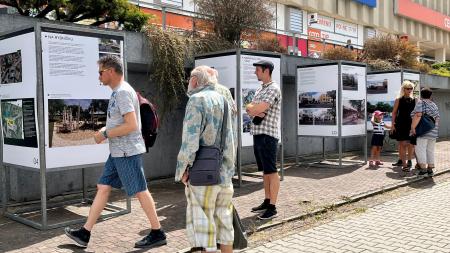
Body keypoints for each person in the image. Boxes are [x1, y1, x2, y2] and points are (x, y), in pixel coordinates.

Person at [64, 55, 166, 249]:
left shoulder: (122, 93)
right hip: (118, 151)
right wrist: (106, 131)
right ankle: (85, 233)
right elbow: (122, 121)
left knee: (140, 191)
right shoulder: (118, 92)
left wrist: (106, 134)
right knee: (103, 187)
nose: (99, 76)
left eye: (101, 72)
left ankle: (157, 232)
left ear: (111, 71)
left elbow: (132, 125)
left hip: (127, 152)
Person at [176, 65, 237, 253]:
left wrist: (183, 170)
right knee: (224, 221)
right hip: (224, 170)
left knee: (204, 224)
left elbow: (190, 141)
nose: (188, 83)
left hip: (203, 172)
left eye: (189, 79)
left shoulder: (196, 99)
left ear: (195, 80)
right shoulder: (223, 99)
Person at [246, 60, 281, 220]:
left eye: (258, 70)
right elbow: (249, 107)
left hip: (268, 136)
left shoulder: (273, 89)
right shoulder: (261, 89)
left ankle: (272, 207)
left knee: (272, 171)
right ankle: (267, 201)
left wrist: (255, 110)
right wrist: (253, 109)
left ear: (266, 71)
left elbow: (259, 108)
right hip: (258, 134)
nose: (255, 73)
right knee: (265, 171)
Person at [410, 88, 440, 177]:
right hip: (433, 131)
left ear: (421, 95)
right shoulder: (434, 105)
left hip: (422, 131)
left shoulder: (420, 102)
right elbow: (437, 118)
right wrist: (435, 129)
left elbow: (418, 115)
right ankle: (430, 169)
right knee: (430, 150)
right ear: (430, 95)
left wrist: (413, 127)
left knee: (420, 149)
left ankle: (423, 170)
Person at [391, 81, 416, 171]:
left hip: (411, 124)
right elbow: (394, 113)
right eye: (407, 88)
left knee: (411, 144)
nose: (409, 90)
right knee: (402, 144)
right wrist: (392, 125)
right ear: (403, 89)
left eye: (411, 88)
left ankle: (409, 160)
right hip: (401, 124)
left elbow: (417, 114)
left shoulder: (415, 100)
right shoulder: (399, 99)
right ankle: (404, 164)